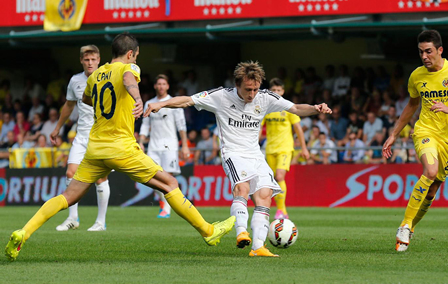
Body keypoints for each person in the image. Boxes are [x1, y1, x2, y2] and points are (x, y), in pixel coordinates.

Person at [5, 33, 235, 262]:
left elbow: (86, 100)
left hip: (95, 149)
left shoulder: (95, 76)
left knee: (68, 196)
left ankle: (24, 232)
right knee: (170, 183)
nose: (135, 61)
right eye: (135, 57)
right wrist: (136, 97)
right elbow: (128, 79)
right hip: (121, 148)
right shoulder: (129, 68)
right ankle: (209, 231)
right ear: (129, 54)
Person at [144, 61, 332, 257]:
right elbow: (187, 100)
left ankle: (258, 247)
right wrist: (161, 103)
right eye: (247, 89)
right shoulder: (221, 96)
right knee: (242, 188)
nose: (252, 94)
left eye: (255, 89)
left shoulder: (265, 97)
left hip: (255, 154)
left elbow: (294, 108)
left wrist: (315, 108)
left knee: (265, 195)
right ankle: (241, 232)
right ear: (237, 85)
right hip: (233, 152)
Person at [382, 30, 448, 252]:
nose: (424, 56)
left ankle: (410, 227)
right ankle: (405, 224)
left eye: (428, 51)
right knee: (430, 171)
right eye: (420, 52)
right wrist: (393, 134)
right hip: (425, 131)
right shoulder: (416, 76)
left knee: (432, 190)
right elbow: (411, 105)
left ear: (440, 50)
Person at [50, 45, 111, 232]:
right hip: (82, 135)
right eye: (86, 60)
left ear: (99, 60)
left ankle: (101, 222)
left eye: (93, 59)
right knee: (71, 173)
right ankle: (73, 218)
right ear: (81, 61)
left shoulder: (107, 77)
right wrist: (58, 127)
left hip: (101, 136)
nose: (90, 63)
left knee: (100, 178)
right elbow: (69, 106)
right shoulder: (75, 81)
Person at [138, 74, 190, 219]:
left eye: (163, 84)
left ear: (167, 86)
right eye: (158, 84)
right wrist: (141, 142)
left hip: (170, 146)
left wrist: (184, 145)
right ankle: (165, 206)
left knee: (169, 177)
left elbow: (181, 125)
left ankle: (167, 208)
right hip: (154, 147)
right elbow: (145, 124)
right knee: (152, 176)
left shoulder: (174, 102)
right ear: (155, 86)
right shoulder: (149, 102)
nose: (161, 86)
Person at [261, 78, 309, 220]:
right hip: (270, 149)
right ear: (270, 91)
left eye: (279, 90)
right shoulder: (266, 109)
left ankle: (282, 210)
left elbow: (298, 129)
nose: (276, 92)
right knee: (273, 181)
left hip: (285, 148)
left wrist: (304, 148)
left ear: (283, 91)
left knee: (280, 176)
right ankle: (280, 211)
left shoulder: (288, 107)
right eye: (273, 90)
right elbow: (258, 128)